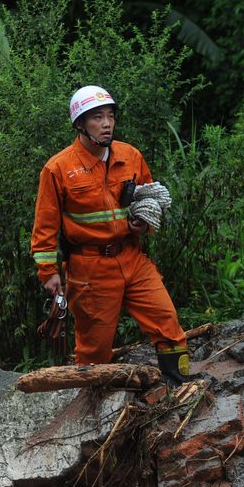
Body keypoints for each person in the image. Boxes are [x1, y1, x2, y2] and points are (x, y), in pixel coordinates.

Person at [30, 85, 191, 386]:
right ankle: (90, 415)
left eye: (110, 116)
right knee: (94, 350)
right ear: (80, 124)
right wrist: (48, 272)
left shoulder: (130, 156)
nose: (107, 124)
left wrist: (144, 223)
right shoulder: (58, 168)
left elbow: (148, 201)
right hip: (90, 268)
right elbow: (45, 226)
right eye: (97, 118)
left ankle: (179, 392)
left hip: (133, 257)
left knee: (167, 323)